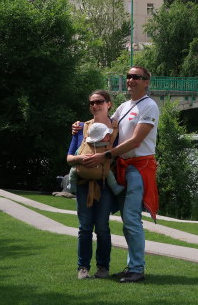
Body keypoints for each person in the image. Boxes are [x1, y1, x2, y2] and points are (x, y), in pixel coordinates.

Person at [82, 66, 159, 283]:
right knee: (128, 220)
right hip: (123, 168)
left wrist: (105, 156)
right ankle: (132, 266)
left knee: (132, 220)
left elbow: (136, 141)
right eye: (129, 76)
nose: (131, 80)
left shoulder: (149, 106)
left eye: (137, 77)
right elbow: (106, 125)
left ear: (146, 82)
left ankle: (137, 269)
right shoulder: (125, 105)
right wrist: (80, 127)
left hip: (138, 168)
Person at [66, 90, 117, 280]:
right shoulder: (81, 128)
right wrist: (81, 158)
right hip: (83, 183)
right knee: (85, 226)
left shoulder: (116, 129)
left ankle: (103, 267)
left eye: (99, 102)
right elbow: (69, 157)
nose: (95, 106)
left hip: (104, 184)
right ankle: (83, 267)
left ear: (109, 104)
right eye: (92, 103)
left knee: (102, 226)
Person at [67, 122, 124, 196]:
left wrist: (78, 158)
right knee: (108, 173)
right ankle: (115, 187)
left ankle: (72, 186)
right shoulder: (107, 147)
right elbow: (112, 158)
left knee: (73, 170)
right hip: (101, 172)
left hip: (82, 171)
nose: (109, 136)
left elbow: (77, 153)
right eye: (107, 135)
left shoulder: (85, 145)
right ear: (102, 137)